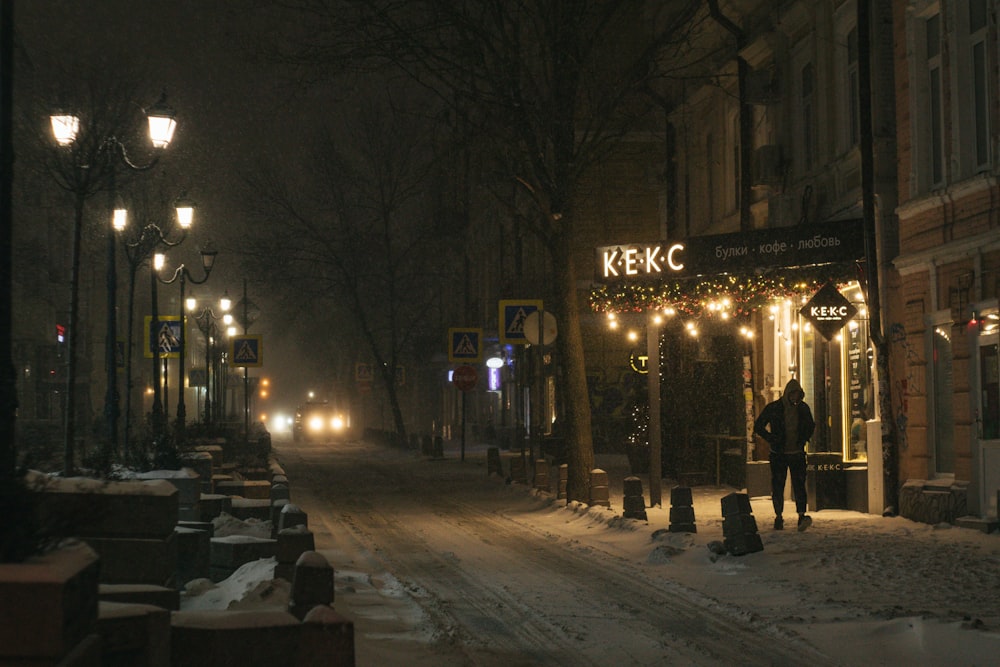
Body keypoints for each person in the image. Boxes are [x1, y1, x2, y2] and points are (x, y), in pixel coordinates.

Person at [753, 378, 815, 531]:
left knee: (799, 484)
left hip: (796, 452)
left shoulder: (802, 408)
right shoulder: (775, 408)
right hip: (779, 453)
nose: (795, 398)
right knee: (778, 485)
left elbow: (810, 425)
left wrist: (803, 439)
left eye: (798, 395)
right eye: (793, 394)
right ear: (788, 394)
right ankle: (779, 516)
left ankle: (801, 515)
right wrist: (771, 439)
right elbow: (758, 425)